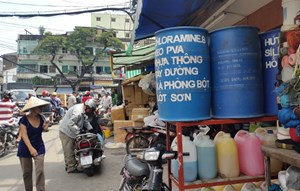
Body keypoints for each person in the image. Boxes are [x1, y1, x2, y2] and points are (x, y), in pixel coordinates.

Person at [17, 97, 50, 191]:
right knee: (27, 173)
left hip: (39, 146)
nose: (42, 108)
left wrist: (45, 127)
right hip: (25, 147)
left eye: (42, 107)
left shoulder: (41, 117)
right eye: (39, 107)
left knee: (40, 171)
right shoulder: (24, 119)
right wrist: (30, 148)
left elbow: (44, 130)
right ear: (33, 108)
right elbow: (24, 135)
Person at [59, 99, 97, 173]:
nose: (91, 112)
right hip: (66, 132)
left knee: (72, 148)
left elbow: (85, 120)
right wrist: (79, 131)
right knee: (69, 150)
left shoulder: (83, 109)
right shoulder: (78, 111)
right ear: (87, 107)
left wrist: (90, 129)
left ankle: (69, 164)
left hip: (71, 131)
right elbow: (70, 124)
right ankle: (71, 168)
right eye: (91, 110)